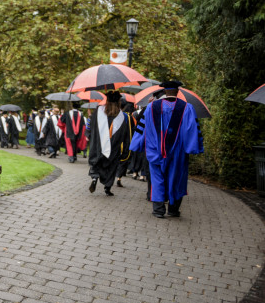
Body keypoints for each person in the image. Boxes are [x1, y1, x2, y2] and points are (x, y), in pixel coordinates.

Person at [130, 81, 203, 218]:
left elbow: (142, 129)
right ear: (177, 92)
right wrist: (193, 148)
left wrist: (136, 144)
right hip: (177, 153)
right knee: (176, 179)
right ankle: (173, 210)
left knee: (157, 179)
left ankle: (158, 210)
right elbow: (191, 130)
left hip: (155, 151)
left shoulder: (151, 107)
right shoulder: (187, 108)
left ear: (164, 92)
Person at [87, 91, 132, 196]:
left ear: (107, 101)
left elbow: (90, 129)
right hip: (113, 149)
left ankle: (94, 177)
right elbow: (126, 137)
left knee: (97, 164)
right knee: (111, 168)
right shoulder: (123, 117)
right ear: (119, 102)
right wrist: (125, 153)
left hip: (99, 147)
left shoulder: (98, 112)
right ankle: (107, 187)